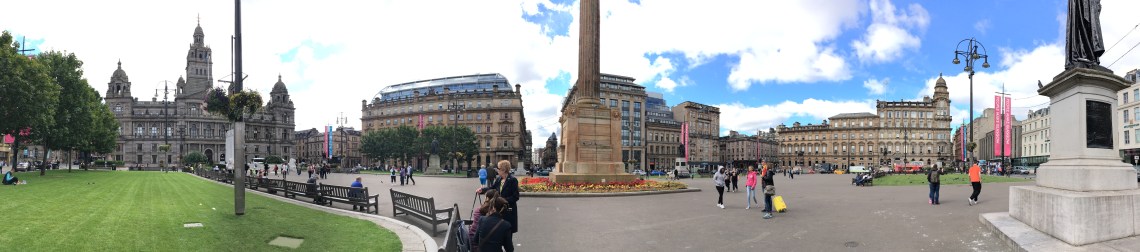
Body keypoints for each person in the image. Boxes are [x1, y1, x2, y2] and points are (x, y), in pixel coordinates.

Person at [476, 160, 520, 234]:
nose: (497, 170)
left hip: (508, 210)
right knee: (498, 233)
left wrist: (501, 200)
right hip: (499, 210)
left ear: (504, 169)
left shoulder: (513, 180)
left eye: (498, 168)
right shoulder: (499, 179)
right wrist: (482, 190)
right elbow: (492, 188)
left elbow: (515, 197)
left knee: (507, 234)